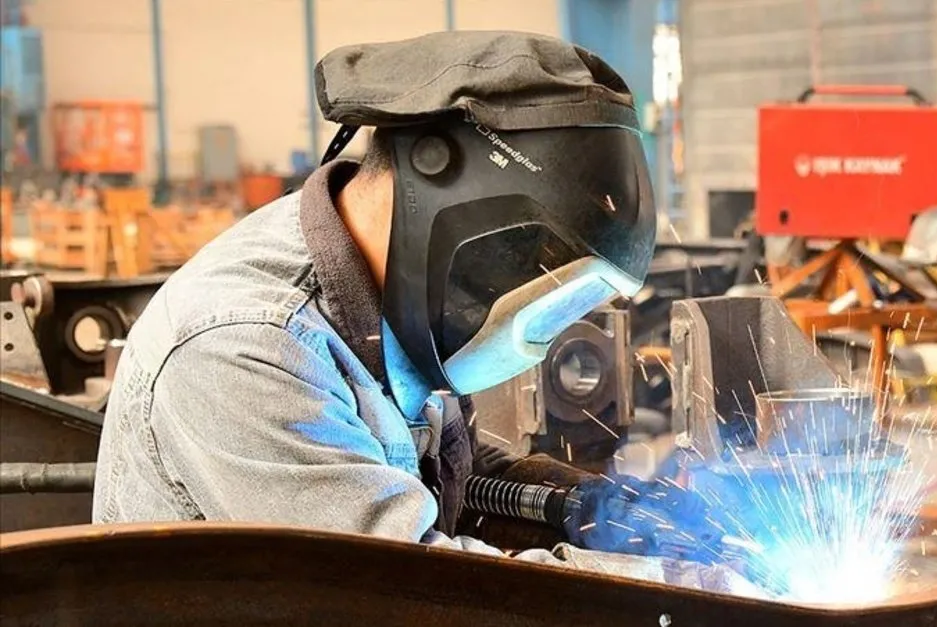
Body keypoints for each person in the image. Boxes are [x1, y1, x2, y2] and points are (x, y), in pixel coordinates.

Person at [93, 31, 732, 574]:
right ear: (440, 183)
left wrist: (598, 509)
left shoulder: (393, 300)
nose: (538, 337)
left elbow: (435, 482)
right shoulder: (246, 348)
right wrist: (683, 588)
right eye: (536, 267)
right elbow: (410, 591)